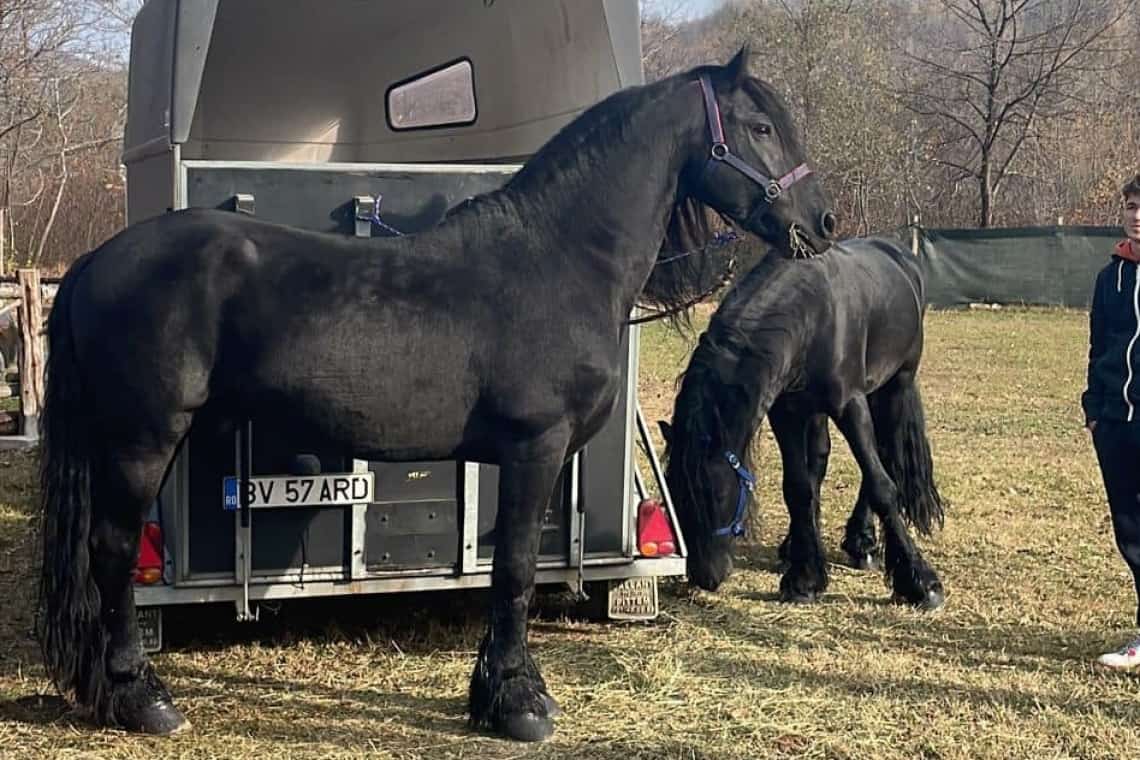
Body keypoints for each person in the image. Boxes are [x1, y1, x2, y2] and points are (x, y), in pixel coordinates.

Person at [1083, 172, 1140, 669]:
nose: (1137, 215)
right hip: (1115, 422)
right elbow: (1098, 345)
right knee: (1131, 531)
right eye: (1131, 206)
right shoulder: (1111, 277)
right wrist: (1094, 411)